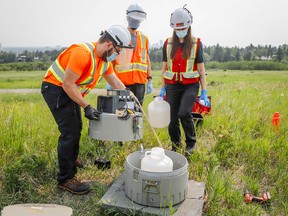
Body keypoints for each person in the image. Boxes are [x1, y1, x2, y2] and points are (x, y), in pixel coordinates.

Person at [41, 25, 133, 195]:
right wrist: (86, 106)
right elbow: (67, 84)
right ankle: (65, 179)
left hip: (69, 90)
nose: (117, 55)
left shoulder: (104, 62)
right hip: (55, 89)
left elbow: (117, 83)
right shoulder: (82, 53)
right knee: (70, 131)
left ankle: (69, 157)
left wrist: (131, 99)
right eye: (117, 51)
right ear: (108, 45)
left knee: (77, 127)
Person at [159, 5, 210, 156]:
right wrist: (162, 88)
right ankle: (175, 145)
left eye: (183, 28)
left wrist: (204, 91)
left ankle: (191, 143)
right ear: (173, 28)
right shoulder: (168, 44)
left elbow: (201, 70)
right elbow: (164, 68)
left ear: (189, 26)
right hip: (172, 85)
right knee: (172, 117)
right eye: (177, 29)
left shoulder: (196, 43)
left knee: (184, 112)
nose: (180, 32)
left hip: (190, 85)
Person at [112, 2, 152, 105]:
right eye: (133, 19)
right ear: (128, 18)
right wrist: (111, 79)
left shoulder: (144, 38)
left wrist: (150, 79)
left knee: (137, 112)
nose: (135, 21)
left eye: (137, 20)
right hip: (122, 82)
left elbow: (146, 59)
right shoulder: (120, 36)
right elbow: (112, 59)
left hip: (140, 82)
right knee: (122, 113)